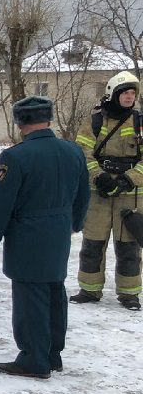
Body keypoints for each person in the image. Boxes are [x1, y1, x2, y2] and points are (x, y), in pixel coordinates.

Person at [0, 96, 90, 379]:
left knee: (30, 297)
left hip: (28, 235)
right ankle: (52, 354)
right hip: (59, 231)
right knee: (55, 292)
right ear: (49, 119)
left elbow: (2, 202)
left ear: (19, 123)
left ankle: (33, 358)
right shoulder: (73, 150)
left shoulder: (16, 156)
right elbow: (83, 194)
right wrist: (75, 223)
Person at [71, 71, 143, 310]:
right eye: (125, 93)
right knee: (92, 244)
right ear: (113, 94)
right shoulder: (95, 122)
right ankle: (89, 290)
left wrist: (127, 180)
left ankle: (129, 293)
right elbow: (83, 153)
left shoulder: (140, 122)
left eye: (133, 93)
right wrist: (99, 176)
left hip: (131, 197)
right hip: (98, 194)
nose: (130, 97)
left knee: (129, 248)